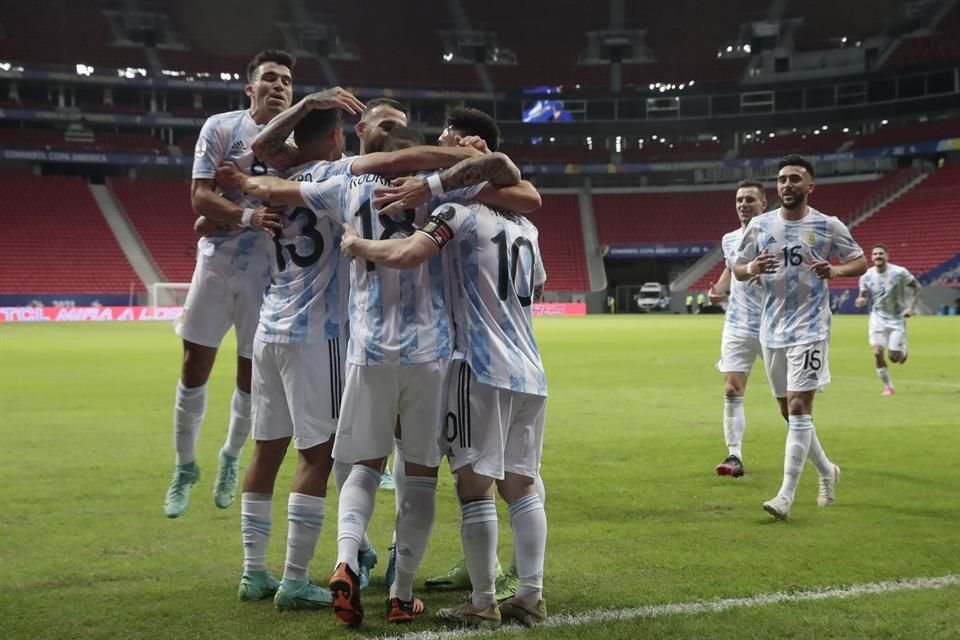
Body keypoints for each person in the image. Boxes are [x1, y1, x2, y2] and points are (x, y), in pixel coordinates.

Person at [232, 130, 537, 626]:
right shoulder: (437, 190)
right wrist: (449, 167)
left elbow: (279, 191)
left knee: (361, 467)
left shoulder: (344, 186)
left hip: (367, 350)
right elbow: (520, 191)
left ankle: (346, 560)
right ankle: (401, 593)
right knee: (419, 473)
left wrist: (241, 183)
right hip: (430, 352)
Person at [340, 197, 549, 629]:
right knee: (523, 485)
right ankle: (530, 595)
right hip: (530, 367)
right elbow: (539, 287)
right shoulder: (527, 226)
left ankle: (483, 601)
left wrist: (357, 245)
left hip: (480, 366)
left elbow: (408, 253)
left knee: (475, 487)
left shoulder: (458, 212)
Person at [162, 49, 296, 519]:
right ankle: (184, 467)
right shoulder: (221, 127)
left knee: (250, 376)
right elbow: (199, 196)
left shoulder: (298, 143)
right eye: (271, 79)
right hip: (217, 265)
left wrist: (226, 209)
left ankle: (230, 459)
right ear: (250, 88)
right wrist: (244, 215)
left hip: (269, 275)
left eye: (286, 81)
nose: (280, 86)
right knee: (194, 363)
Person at [733, 154, 866, 520]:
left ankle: (786, 495)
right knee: (787, 411)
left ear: (810, 186)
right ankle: (827, 470)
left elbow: (860, 260)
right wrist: (752, 267)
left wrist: (836, 269)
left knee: (798, 408)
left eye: (794, 179)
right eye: (781, 179)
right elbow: (737, 269)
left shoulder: (828, 225)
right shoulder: (759, 226)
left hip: (811, 328)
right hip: (771, 329)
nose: (786, 185)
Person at [708, 180, 767, 478]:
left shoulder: (776, 233)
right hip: (737, 323)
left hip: (773, 323)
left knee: (789, 401)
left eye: (750, 200)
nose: (743, 204)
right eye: (740, 200)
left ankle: (815, 457)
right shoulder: (729, 239)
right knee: (732, 388)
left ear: (763, 205)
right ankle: (734, 456)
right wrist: (718, 289)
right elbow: (731, 267)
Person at [854, 244, 920, 396]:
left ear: (887, 256)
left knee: (894, 356)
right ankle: (888, 386)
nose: (878, 256)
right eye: (875, 254)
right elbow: (862, 295)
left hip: (897, 318)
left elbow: (917, 286)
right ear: (871, 257)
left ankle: (902, 352)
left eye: (881, 253)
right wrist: (860, 300)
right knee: (877, 352)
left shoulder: (899, 272)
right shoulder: (867, 275)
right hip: (878, 318)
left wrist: (911, 308)